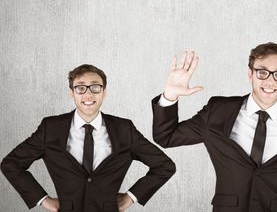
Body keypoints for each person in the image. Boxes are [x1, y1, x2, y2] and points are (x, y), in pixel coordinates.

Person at [152, 42, 277, 212]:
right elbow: (166, 137)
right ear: (250, 74)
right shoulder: (219, 111)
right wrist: (170, 96)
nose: (270, 80)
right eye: (262, 72)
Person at [1, 64, 176, 212]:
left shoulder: (124, 129)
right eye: (80, 87)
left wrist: (131, 197)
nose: (88, 94)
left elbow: (164, 166)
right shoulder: (51, 128)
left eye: (95, 87)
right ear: (72, 93)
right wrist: (43, 199)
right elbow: (11, 164)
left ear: (104, 92)